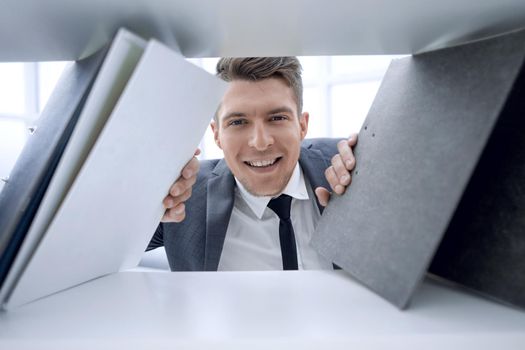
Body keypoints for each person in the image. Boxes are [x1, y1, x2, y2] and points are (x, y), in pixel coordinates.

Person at [148, 57, 357, 271]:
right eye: (238, 122)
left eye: (277, 118)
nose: (260, 142)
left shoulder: (350, 167)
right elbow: (113, 237)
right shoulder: (183, 194)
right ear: (217, 135)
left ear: (302, 125)